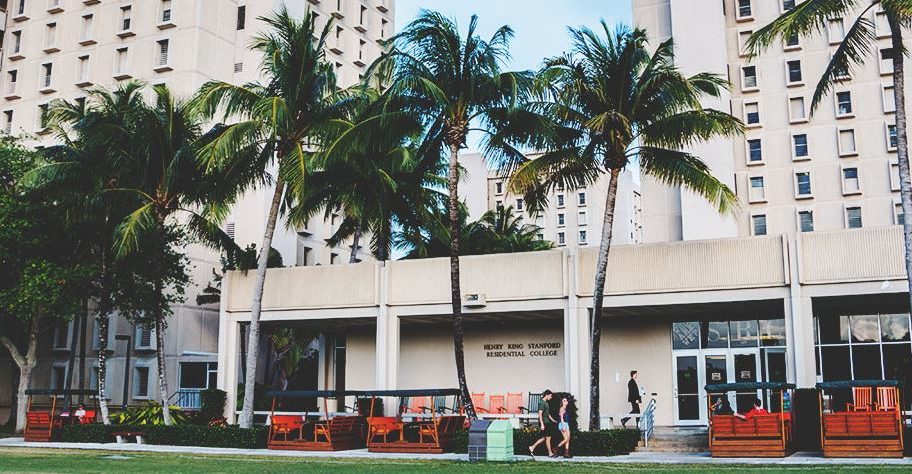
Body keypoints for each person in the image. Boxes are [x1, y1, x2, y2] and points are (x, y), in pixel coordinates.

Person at [528, 389, 557, 458]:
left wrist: (552, 420)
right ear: (546, 395)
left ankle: (532, 447)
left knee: (544, 438)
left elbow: (547, 413)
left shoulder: (546, 402)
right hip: (544, 423)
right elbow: (540, 414)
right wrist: (542, 424)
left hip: (547, 422)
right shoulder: (542, 403)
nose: (551, 397)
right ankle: (550, 453)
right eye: (550, 396)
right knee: (548, 438)